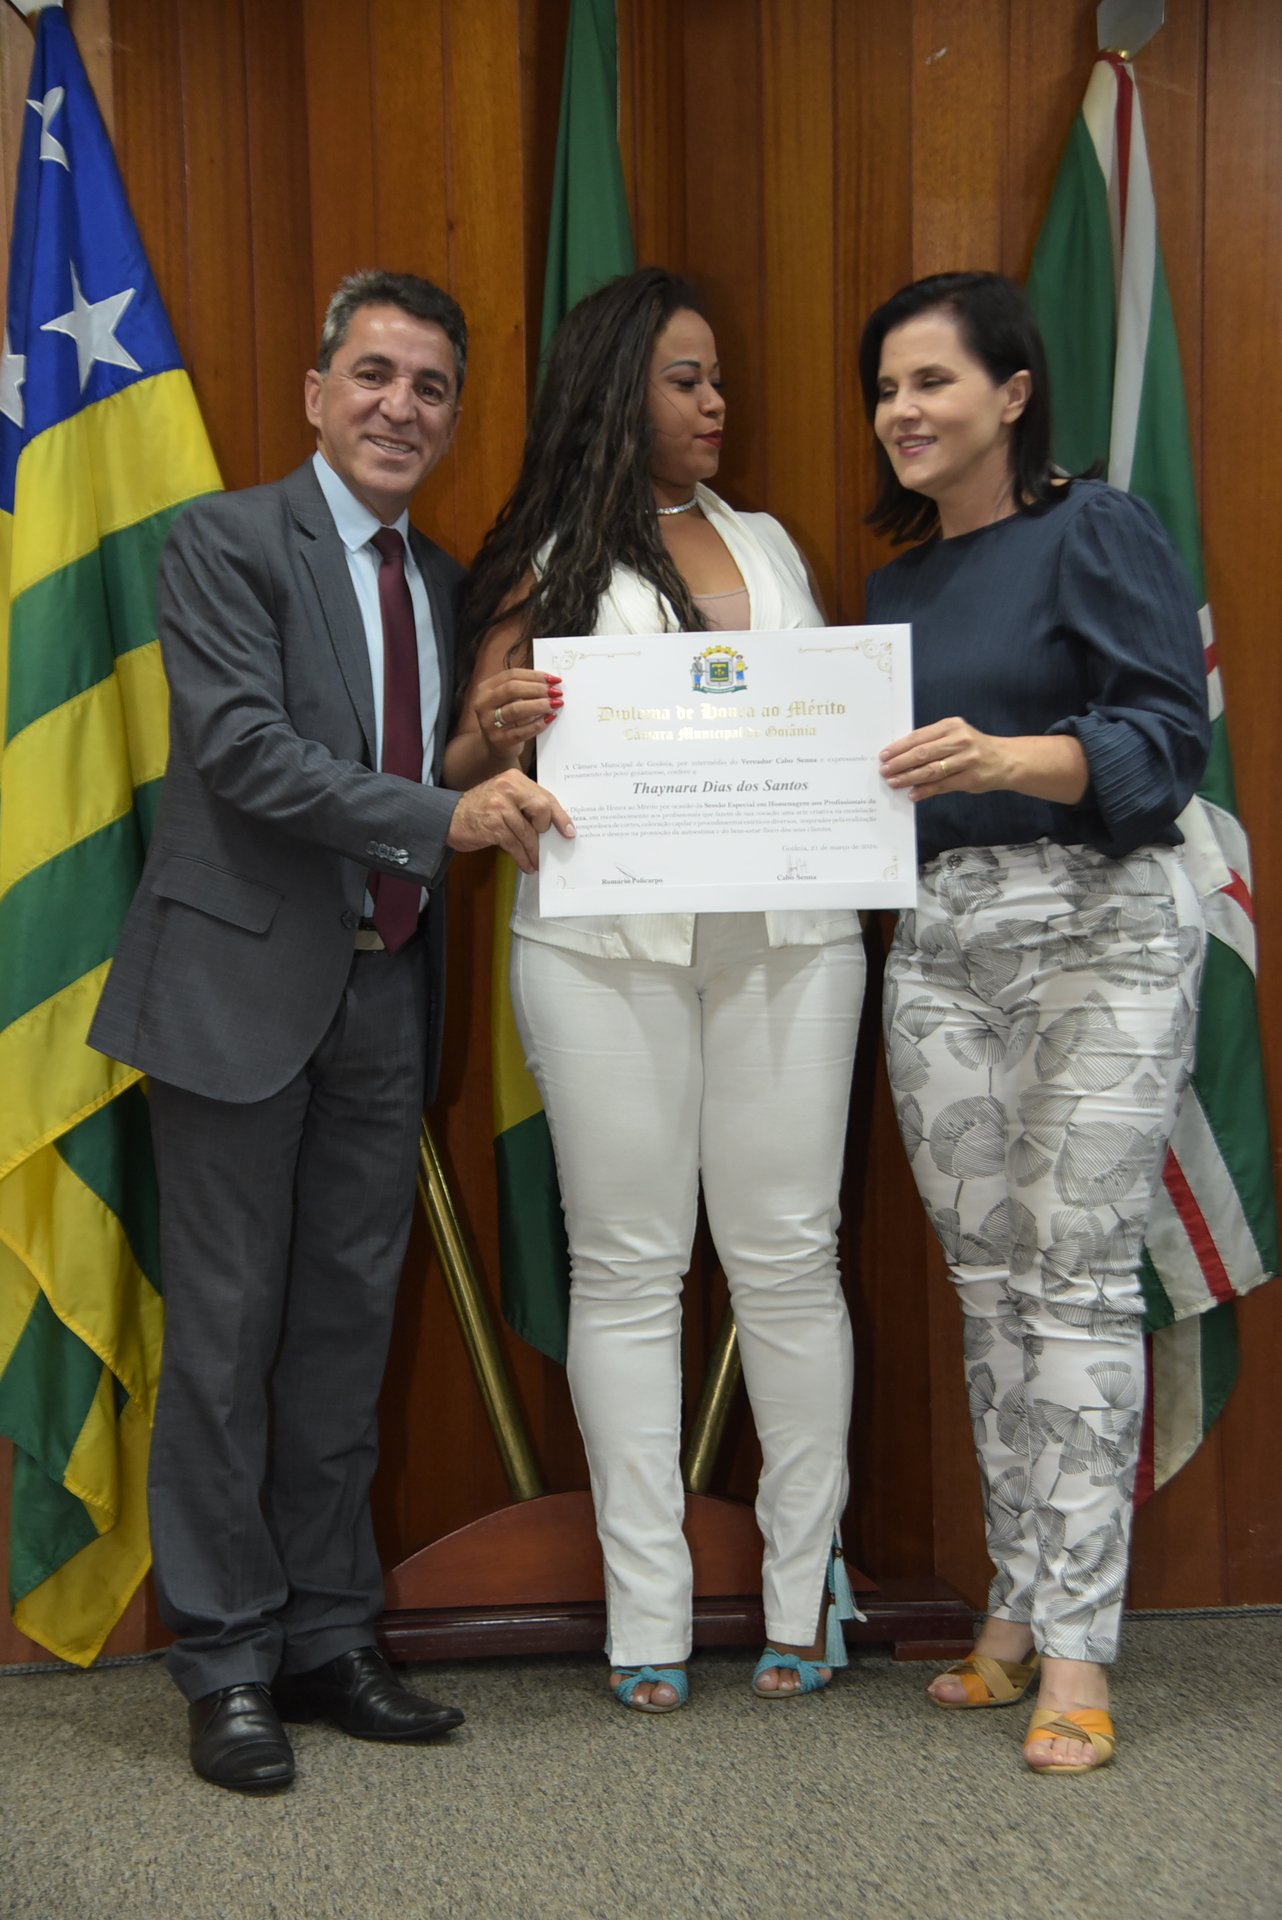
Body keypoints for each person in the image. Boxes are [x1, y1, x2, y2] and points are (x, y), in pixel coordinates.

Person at [89, 269, 571, 1792]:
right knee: (226, 1340)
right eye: (374, 374)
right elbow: (245, 754)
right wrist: (448, 812)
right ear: (315, 393)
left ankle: (328, 1636)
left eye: (431, 387)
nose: (399, 407)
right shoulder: (225, 541)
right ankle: (227, 1661)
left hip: (385, 990)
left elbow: (413, 768)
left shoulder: (445, 581)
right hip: (235, 993)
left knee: (343, 1334)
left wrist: (480, 748)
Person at [447, 267, 866, 1711]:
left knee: (787, 1259)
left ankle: (804, 1594)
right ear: (615, 385)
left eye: (718, 378)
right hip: (600, 949)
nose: (715, 402)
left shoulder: (768, 543)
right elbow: (464, 767)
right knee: (627, 1269)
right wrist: (493, 728)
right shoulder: (538, 556)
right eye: (686, 378)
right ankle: (647, 1617)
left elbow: (826, 736)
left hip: (789, 941)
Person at [862, 271, 1211, 1775]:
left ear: (1012, 393)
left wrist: (1014, 754)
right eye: (885, 388)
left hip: (1097, 931)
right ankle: (1013, 1609)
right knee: (991, 1288)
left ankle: (1078, 1649)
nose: (901, 410)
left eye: (931, 380)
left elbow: (1166, 742)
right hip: (938, 947)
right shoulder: (889, 594)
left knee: (1074, 1289)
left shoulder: (1096, 529)